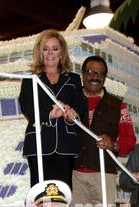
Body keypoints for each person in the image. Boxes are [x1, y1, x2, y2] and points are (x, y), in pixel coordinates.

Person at [72, 55, 136, 207]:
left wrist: (114, 144)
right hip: (75, 173)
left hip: (104, 173)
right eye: (90, 72)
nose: (95, 76)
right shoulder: (71, 101)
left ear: (105, 78)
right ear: (83, 75)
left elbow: (129, 141)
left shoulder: (119, 106)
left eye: (100, 73)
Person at [19, 29, 86, 188]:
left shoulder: (74, 79)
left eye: (55, 48)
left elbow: (81, 108)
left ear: (62, 52)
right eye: (45, 48)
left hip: (66, 143)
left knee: (63, 193)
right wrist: (49, 115)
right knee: (39, 194)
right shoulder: (30, 79)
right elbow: (27, 107)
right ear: (39, 52)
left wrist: (72, 115)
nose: (50, 53)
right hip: (38, 142)